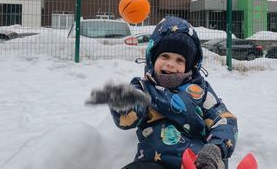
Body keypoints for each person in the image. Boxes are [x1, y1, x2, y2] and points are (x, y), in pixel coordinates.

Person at [87, 17, 238, 169]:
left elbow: (223, 118)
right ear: (153, 59)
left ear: (188, 66)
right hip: (154, 162)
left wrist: (215, 148)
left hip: (197, 162)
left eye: (179, 60)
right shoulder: (144, 87)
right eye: (165, 56)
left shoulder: (200, 90)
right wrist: (124, 102)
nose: (171, 64)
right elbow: (130, 115)